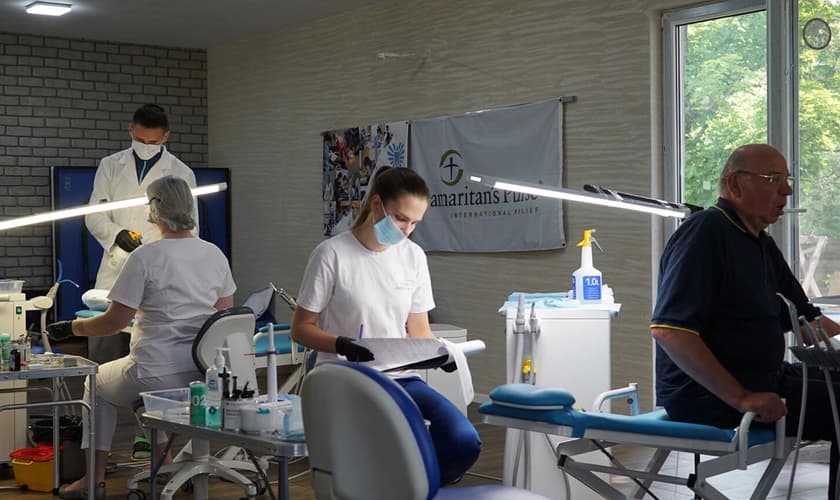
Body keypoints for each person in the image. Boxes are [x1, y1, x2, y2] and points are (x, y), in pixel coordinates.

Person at [651, 143, 840, 498]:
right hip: (707, 395)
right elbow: (670, 332)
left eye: (787, 180)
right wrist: (742, 399)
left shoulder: (760, 244)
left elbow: (805, 321)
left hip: (766, 378)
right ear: (735, 185)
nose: (786, 190)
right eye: (773, 179)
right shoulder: (705, 232)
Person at [291, 166, 481, 485]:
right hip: (347, 377)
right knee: (398, 443)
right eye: (400, 218)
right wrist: (342, 344)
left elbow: (419, 330)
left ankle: (410, 489)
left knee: (462, 440)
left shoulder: (413, 257)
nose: (407, 230)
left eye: (415, 222)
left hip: (401, 376)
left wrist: (442, 354)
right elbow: (301, 328)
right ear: (377, 204)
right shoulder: (332, 254)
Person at [47, 176, 235, 499]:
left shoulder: (146, 257)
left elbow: (112, 322)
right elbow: (223, 316)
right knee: (140, 390)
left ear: (154, 211)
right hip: (201, 374)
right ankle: (166, 463)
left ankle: (94, 479)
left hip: (154, 371)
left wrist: (72, 329)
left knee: (96, 384)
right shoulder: (214, 254)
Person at [85, 103, 198, 458]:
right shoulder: (110, 165)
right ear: (130, 129)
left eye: (154, 140)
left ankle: (145, 435)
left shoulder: (181, 172)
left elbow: (189, 225)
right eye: (141, 138)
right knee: (104, 359)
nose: (147, 145)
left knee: (147, 354)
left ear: (166, 137)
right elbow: (94, 214)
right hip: (117, 266)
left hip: (160, 269)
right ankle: (99, 446)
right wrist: (118, 235)